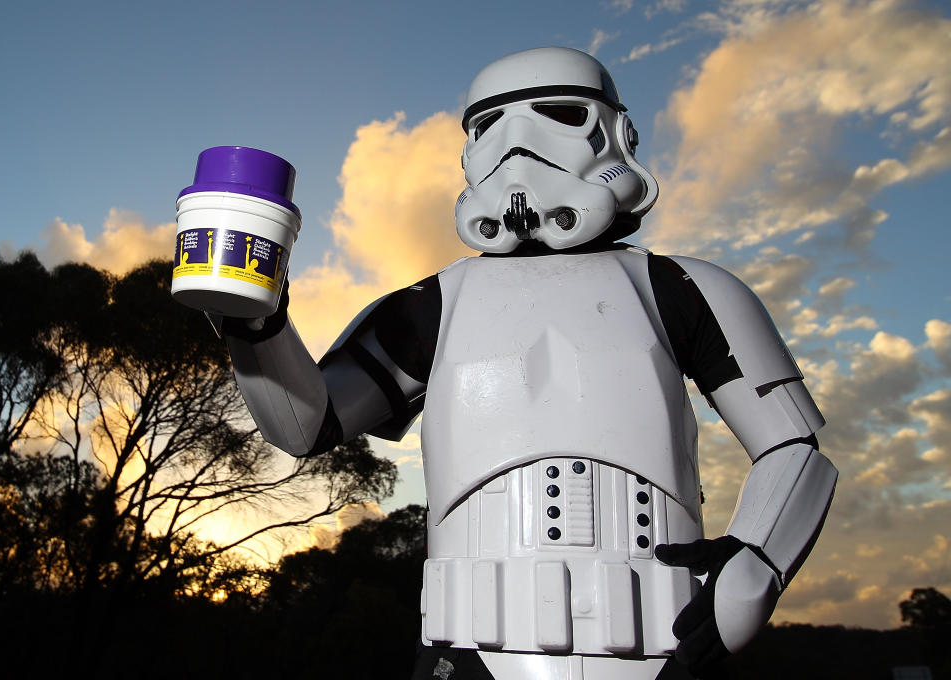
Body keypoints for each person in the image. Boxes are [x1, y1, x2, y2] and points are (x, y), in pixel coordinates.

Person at [217, 47, 837, 680]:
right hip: (467, 646)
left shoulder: (683, 287)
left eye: (557, 112)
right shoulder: (433, 304)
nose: (518, 143)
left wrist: (760, 557)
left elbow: (792, 447)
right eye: (489, 125)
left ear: (615, 132)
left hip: (660, 642)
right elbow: (307, 425)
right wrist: (255, 322)